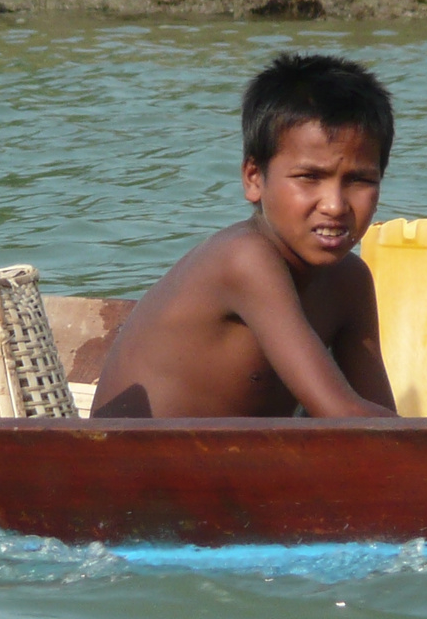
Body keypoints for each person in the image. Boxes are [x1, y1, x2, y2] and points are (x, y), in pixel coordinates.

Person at [91, 53, 398, 419]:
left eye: (360, 180)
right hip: (135, 468)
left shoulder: (351, 281)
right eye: (309, 177)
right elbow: (340, 412)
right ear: (254, 178)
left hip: (241, 466)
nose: (334, 205)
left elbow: (378, 418)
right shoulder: (245, 259)